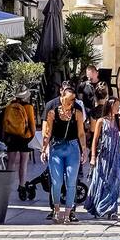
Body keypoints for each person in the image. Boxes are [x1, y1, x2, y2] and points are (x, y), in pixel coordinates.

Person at [39, 83, 88, 224]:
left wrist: (84, 149)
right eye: (69, 100)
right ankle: (56, 210)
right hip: (56, 146)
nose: (71, 103)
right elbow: (47, 132)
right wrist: (44, 148)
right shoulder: (52, 110)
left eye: (73, 100)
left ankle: (68, 212)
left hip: (72, 147)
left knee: (71, 181)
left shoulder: (77, 110)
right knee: (57, 181)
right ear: (62, 97)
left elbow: (81, 133)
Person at [84, 97, 120, 220]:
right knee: (101, 180)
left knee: (115, 181)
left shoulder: (119, 121)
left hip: (115, 154)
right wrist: (93, 157)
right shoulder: (101, 121)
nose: (118, 108)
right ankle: (99, 206)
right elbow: (95, 139)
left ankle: (112, 210)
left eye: (118, 106)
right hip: (104, 155)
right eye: (116, 106)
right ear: (110, 106)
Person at [1, 93, 38, 186]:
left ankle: (6, 185)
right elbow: (32, 124)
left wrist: (5, 136)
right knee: (23, 163)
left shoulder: (9, 106)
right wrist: (33, 136)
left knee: (10, 162)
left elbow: (5, 123)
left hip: (11, 135)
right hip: (25, 137)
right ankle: (21, 185)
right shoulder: (28, 107)